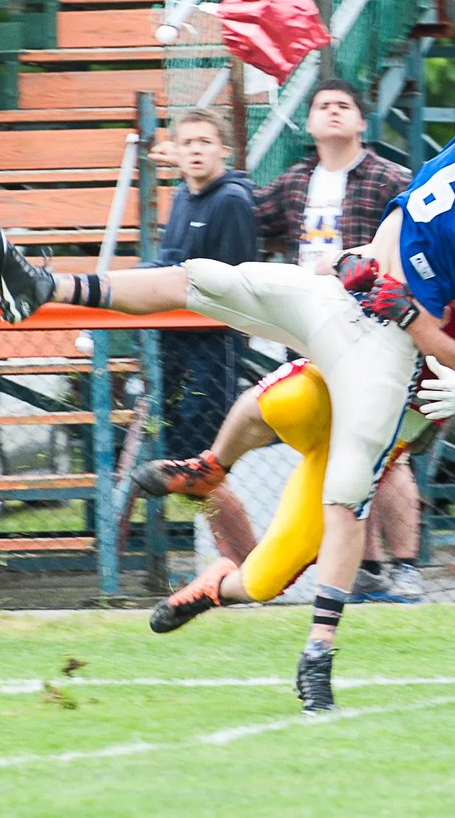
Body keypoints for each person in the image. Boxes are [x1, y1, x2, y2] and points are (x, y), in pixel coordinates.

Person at [0, 0, 455, 712]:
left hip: (386, 340)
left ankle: (317, 655)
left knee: (346, 492)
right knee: (199, 277)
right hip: (339, 296)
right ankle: (44, 287)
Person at [147, 279, 455, 633]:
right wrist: (351, 271)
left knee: (266, 579)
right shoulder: (434, 240)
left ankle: (215, 587)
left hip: (385, 427)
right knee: (288, 398)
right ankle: (212, 466)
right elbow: (345, 272)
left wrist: (410, 318)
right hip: (338, 384)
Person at [149, 79, 422, 599]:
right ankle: (364, 569)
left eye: (344, 105)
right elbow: (246, 209)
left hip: (376, 331)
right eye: (323, 106)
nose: (333, 112)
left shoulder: (391, 179)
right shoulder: (297, 182)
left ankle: (406, 567)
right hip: (314, 332)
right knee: (339, 453)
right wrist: (192, 161)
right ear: (311, 123)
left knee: (391, 454)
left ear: (363, 122)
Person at [152, 108, 257, 457]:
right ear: (176, 152)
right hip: (175, 340)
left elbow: (230, 281)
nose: (196, 150)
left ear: (223, 150)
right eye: (187, 143)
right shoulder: (183, 194)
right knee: (174, 446)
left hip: (212, 346)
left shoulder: (231, 201)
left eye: (205, 142)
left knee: (205, 458)